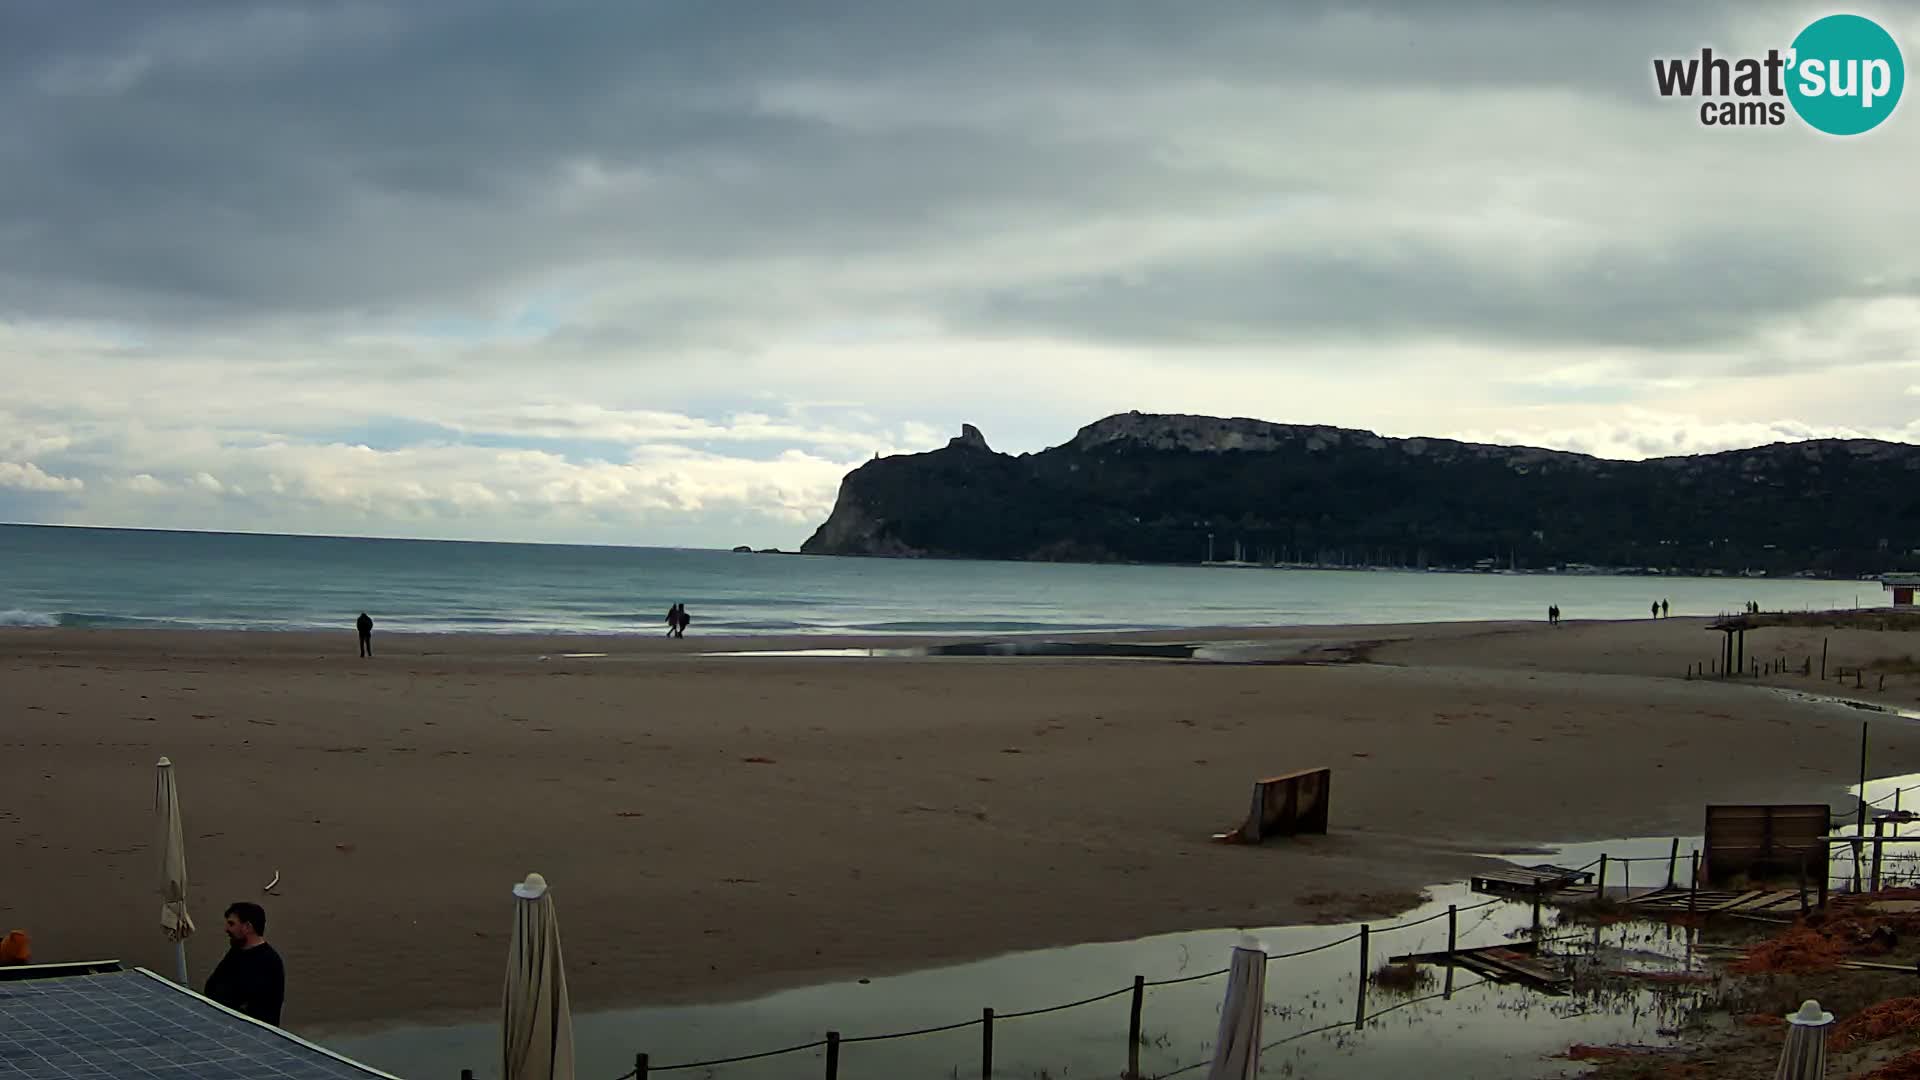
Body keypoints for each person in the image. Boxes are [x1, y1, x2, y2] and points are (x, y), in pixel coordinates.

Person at [204, 902, 285, 1025]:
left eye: (231, 924)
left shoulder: (269, 962)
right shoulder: (236, 951)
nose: (226, 929)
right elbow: (211, 987)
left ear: (247, 927)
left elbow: (251, 1007)